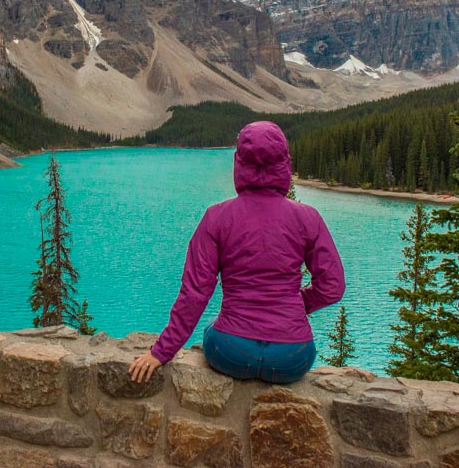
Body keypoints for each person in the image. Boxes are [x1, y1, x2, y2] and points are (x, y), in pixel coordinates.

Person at [129, 121, 345, 384]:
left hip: (231, 351)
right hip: (294, 356)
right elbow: (333, 286)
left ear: (238, 163)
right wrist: (298, 304)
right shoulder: (307, 217)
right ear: (285, 163)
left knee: (212, 329)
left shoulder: (217, 217)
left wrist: (161, 352)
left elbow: (195, 293)